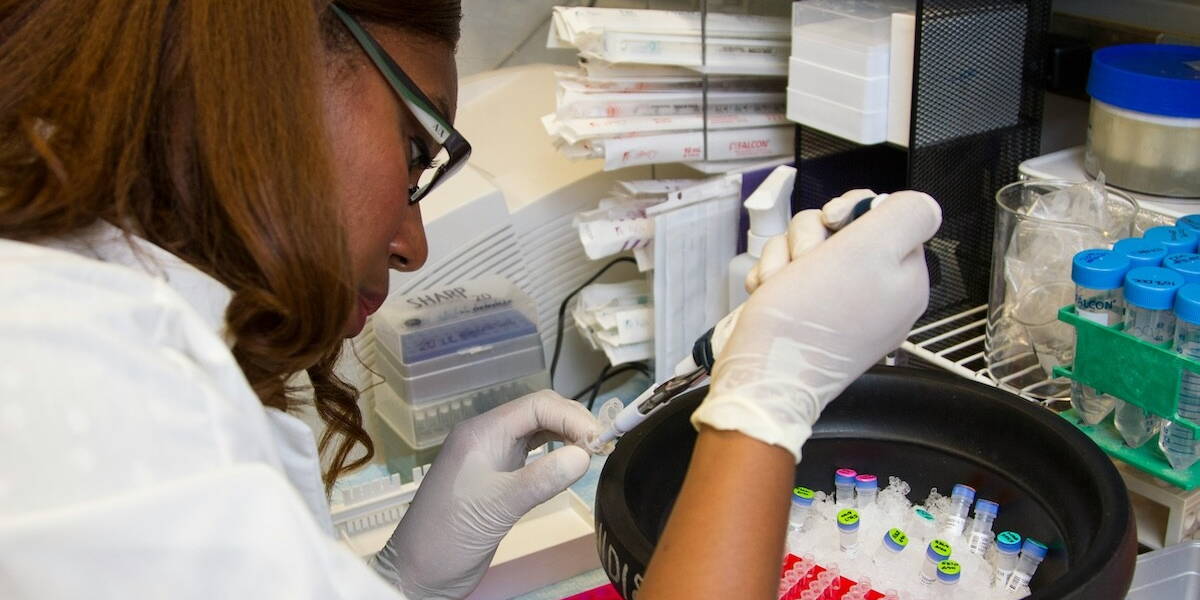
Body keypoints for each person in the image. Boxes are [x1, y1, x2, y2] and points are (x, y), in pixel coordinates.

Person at [0, 2, 939, 599]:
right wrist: (768, 402)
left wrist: (401, 582)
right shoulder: (86, 401)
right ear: (260, 62)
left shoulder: (91, 328)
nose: (412, 245)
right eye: (418, 154)